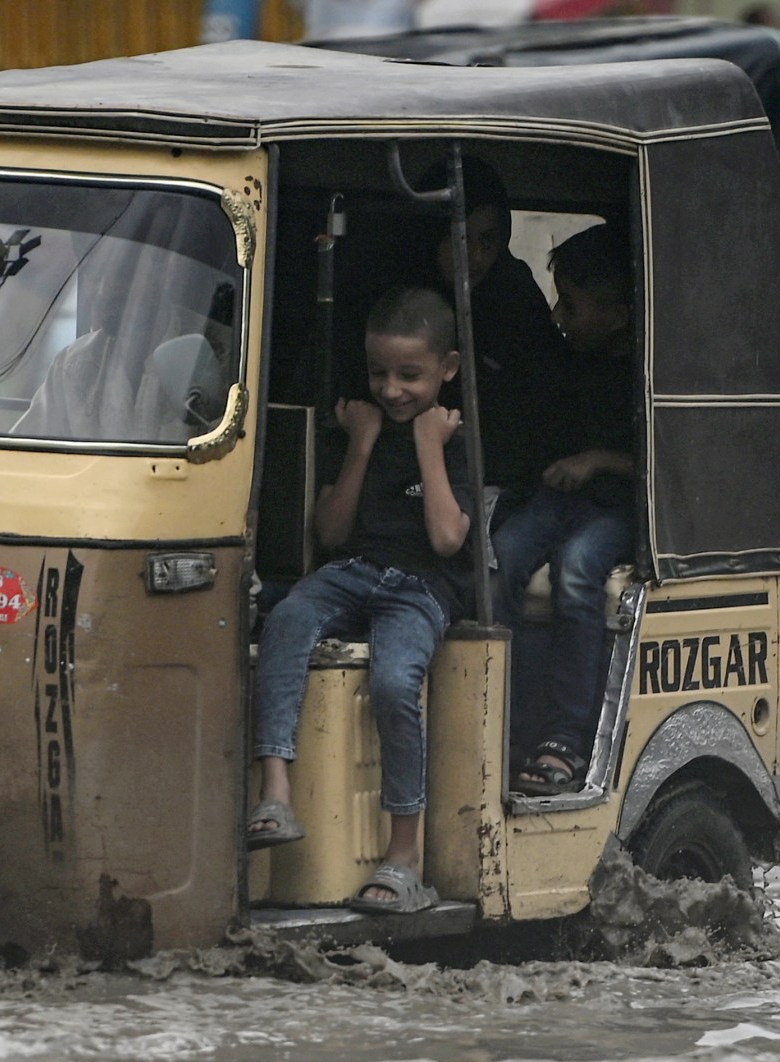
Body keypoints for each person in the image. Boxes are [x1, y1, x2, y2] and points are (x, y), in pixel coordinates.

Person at [246, 286, 474, 915]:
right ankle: (275, 792)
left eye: (411, 376)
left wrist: (429, 445)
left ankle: (405, 856)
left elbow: (448, 537)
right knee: (287, 618)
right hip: (355, 568)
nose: (393, 390)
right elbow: (332, 531)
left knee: (396, 682)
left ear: (447, 370)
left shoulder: (454, 433)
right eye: (380, 373)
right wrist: (361, 444)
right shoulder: (361, 424)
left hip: (420, 588)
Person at [491, 224, 636, 795]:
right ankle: (508, 723)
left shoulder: (646, 371)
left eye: (570, 305)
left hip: (615, 511)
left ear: (620, 315)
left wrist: (597, 460)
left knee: (578, 570)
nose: (557, 316)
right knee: (500, 559)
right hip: (559, 501)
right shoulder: (566, 356)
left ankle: (567, 736)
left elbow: (662, 462)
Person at [410, 157, 567, 505]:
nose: (477, 258)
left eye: (489, 241)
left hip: (503, 484)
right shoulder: (399, 291)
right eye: (462, 239)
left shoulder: (513, 294)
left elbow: (546, 399)